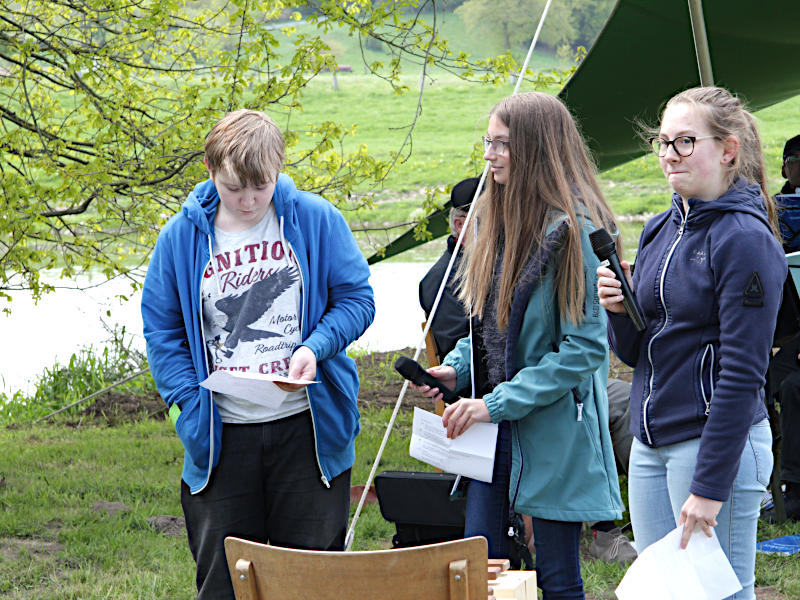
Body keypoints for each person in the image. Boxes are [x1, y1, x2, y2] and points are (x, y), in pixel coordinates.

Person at [141, 109, 374, 599]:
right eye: (232, 188)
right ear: (210, 169)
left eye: (261, 187)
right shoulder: (180, 237)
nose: (248, 201)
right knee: (225, 583)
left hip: (308, 432)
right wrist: (187, 404)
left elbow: (357, 300)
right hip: (222, 437)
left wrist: (316, 346)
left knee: (311, 584)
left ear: (279, 167)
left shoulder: (315, 219)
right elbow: (162, 332)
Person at [415, 91, 623, 599]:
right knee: (482, 573)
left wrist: (494, 403)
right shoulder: (495, 221)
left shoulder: (575, 231)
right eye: (488, 141)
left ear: (535, 148)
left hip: (554, 430)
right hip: (494, 429)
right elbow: (489, 333)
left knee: (556, 579)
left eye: (501, 144)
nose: (489, 154)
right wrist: (458, 370)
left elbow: (583, 352)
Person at [598, 87, 785, 600]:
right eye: (663, 143)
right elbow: (637, 353)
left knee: (718, 594)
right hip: (649, 446)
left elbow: (744, 374)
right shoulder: (659, 230)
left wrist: (708, 486)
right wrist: (619, 312)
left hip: (711, 447)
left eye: (684, 142)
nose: (669, 156)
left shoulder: (744, 239)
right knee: (663, 593)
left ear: (727, 150)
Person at [765, 134, 800, 520]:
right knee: (768, 378)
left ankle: (794, 489)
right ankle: (767, 480)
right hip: (790, 329)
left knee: (793, 388)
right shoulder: (768, 212)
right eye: (795, 160)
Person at [419, 176, 482, 364]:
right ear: (461, 225)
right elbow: (460, 354)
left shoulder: (490, 264)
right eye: (491, 218)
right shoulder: (444, 280)